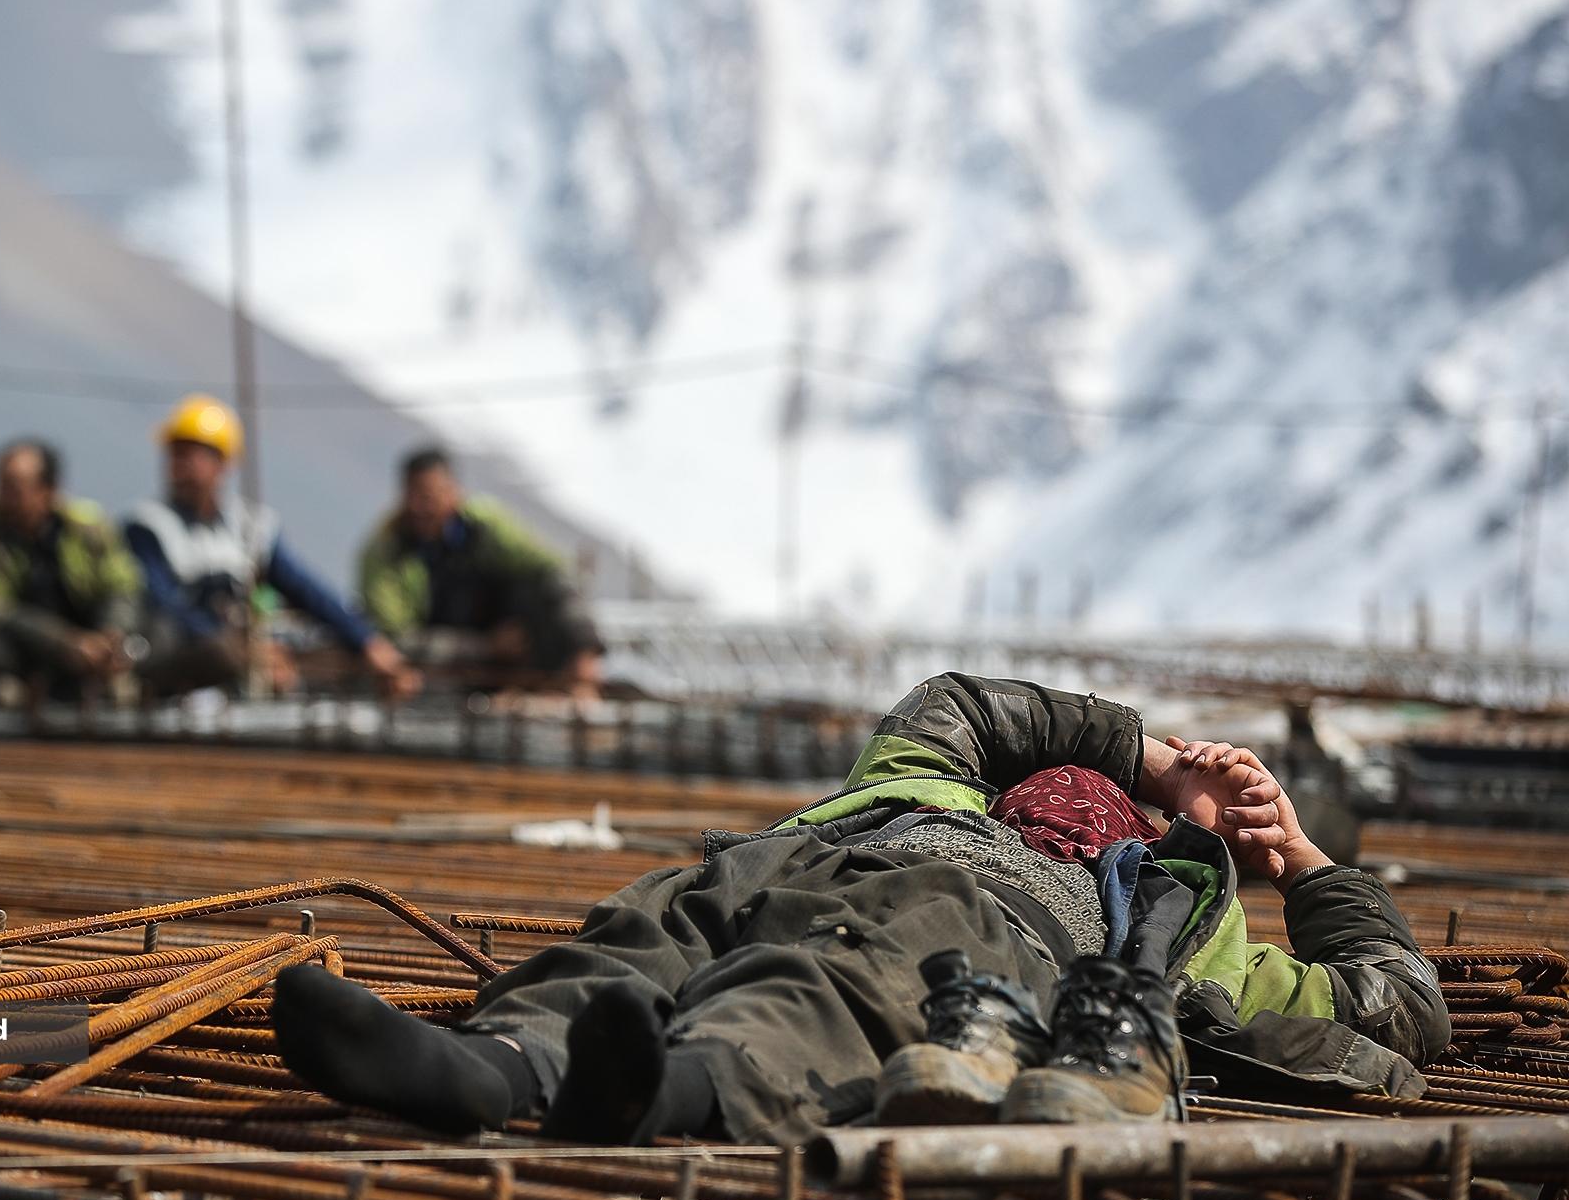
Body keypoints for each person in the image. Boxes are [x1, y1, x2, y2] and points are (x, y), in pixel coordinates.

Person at [271, 673, 1448, 1142]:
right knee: (653, 923)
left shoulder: (1186, 924)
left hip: (968, 926)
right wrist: (1150, 753)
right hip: (794, 867)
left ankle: (660, 1091)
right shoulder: (922, 784)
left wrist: (1295, 857)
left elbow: (1397, 1003)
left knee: (830, 984)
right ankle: (492, 1066)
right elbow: (962, 705)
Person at [123, 395, 418, 698]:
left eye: (191, 454)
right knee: (216, 652)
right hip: (182, 660)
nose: (181, 465)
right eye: (176, 454)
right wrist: (239, 649)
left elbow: (305, 589)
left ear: (222, 462)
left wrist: (365, 640)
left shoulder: (250, 526)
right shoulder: (148, 526)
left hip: (245, 653)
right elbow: (164, 603)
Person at [358, 448, 603, 698]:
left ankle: (561, 683)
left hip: (514, 645)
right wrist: (485, 647)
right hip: (444, 666)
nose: (421, 508)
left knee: (547, 588)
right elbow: (395, 638)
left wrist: (585, 648)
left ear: (453, 492)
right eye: (414, 496)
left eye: (430, 497)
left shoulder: (485, 527)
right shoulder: (385, 551)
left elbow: (551, 570)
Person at [0, 439, 142, 701]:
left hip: (84, 635)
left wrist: (110, 635)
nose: (4, 497)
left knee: (153, 632)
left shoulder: (89, 527)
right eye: (0, 484)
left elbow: (122, 585)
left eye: (15, 488)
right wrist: (65, 643)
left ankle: (115, 683)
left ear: (47, 490)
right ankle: (13, 693)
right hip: (22, 645)